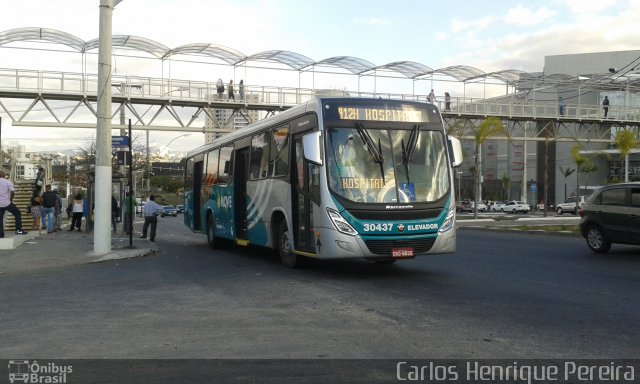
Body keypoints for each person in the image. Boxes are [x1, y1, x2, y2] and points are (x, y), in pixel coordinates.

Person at [0, 170, 28, 237]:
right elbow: (12, 192)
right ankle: (18, 230)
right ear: (4, 176)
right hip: (7, 203)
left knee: (0, 219)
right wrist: (11, 199)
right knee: (17, 213)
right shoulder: (7, 182)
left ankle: (1, 234)